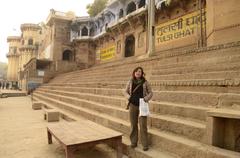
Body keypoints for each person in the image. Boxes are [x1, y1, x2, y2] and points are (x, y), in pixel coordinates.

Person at [124, 67, 153, 151]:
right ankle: (133, 142)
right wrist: (129, 97)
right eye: (136, 71)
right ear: (134, 73)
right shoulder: (130, 81)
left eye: (140, 71)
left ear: (142, 73)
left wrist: (145, 99)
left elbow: (151, 93)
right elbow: (125, 91)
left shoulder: (145, 82)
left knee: (143, 125)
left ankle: (145, 144)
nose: (138, 72)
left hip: (142, 106)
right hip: (133, 105)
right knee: (133, 124)